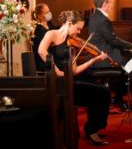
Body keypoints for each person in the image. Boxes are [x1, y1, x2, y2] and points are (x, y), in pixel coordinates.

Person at [38, 10, 111, 146]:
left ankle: (92, 129)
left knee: (103, 92)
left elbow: (74, 71)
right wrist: (56, 70)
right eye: (78, 29)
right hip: (57, 84)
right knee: (100, 93)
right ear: (69, 23)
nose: (79, 33)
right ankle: (91, 131)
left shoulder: (71, 43)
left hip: (69, 81)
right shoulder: (52, 34)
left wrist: (93, 60)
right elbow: (41, 50)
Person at [88, 0, 132, 110]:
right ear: (105, 4)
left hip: (101, 53)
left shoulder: (95, 16)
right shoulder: (102, 19)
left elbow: (111, 39)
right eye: (110, 3)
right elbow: (113, 40)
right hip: (105, 57)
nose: (111, 5)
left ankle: (118, 97)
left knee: (127, 64)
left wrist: (128, 47)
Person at [31, 3, 57, 72]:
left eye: (49, 11)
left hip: (52, 57)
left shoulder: (50, 25)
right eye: (47, 12)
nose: (49, 14)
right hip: (44, 62)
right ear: (40, 16)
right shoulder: (39, 30)